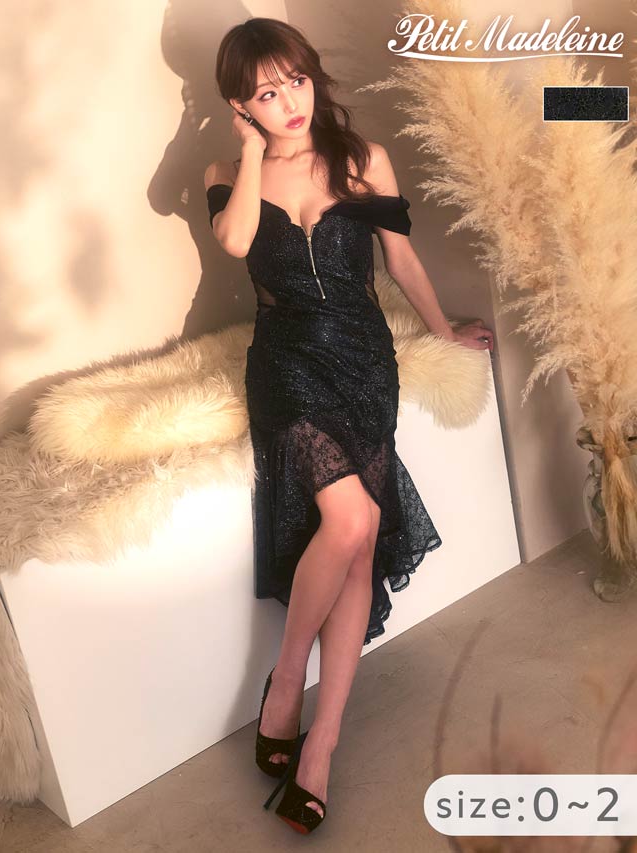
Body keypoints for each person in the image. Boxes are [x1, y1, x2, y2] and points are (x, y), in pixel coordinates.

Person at [205, 17, 494, 834]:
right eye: (267, 93)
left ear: (313, 76)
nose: (289, 101)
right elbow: (235, 241)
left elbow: (399, 259)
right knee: (352, 518)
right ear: (242, 106)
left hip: (364, 363)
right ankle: (286, 678)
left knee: (360, 541)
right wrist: (253, 150)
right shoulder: (228, 172)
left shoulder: (363, 159)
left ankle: (321, 741)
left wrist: (442, 330)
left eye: (296, 80)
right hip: (286, 363)